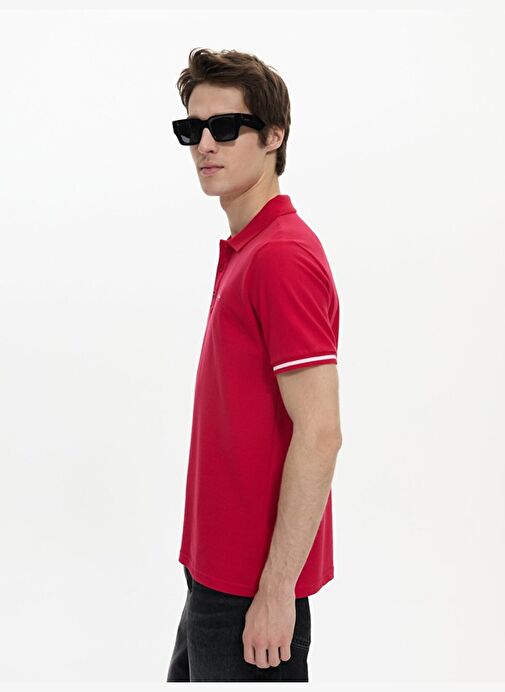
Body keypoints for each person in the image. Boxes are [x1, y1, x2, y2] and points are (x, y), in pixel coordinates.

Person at [166, 47, 343, 683]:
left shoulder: (280, 258)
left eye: (225, 126)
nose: (205, 144)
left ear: (274, 136)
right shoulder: (250, 250)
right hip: (214, 578)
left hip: (251, 593)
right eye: (192, 129)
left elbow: (320, 431)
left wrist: (275, 592)